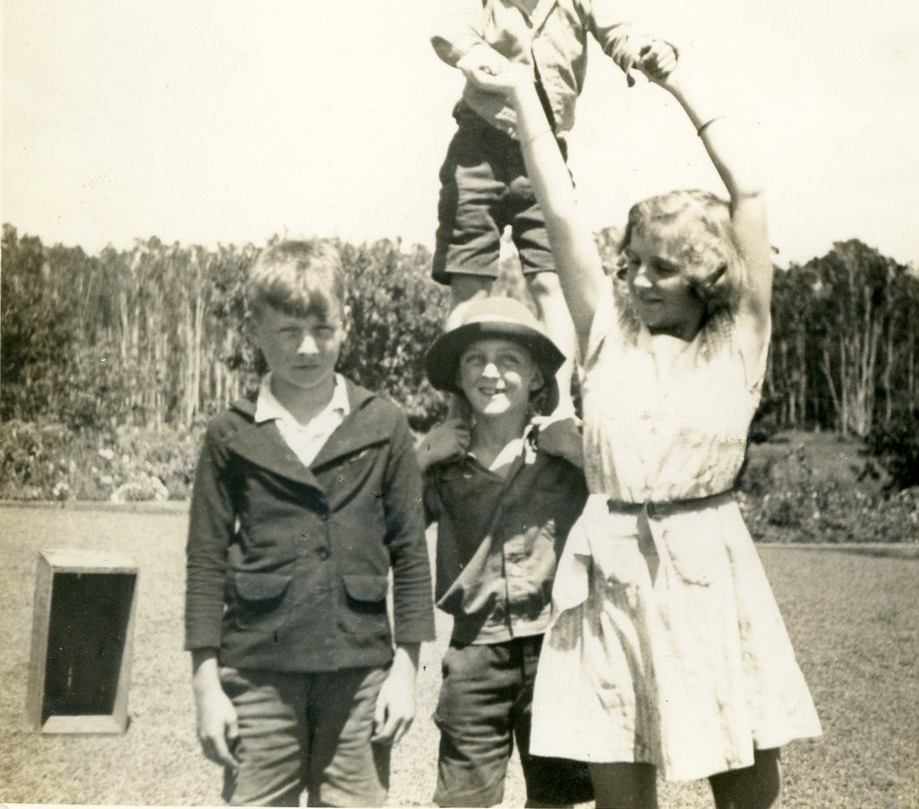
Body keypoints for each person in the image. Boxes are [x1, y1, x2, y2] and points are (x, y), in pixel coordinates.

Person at [473, 65, 822, 809]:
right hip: (610, 565)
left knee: (743, 775)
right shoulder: (607, 333)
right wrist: (520, 91)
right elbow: (559, 209)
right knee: (618, 772)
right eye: (632, 263)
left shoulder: (739, 341)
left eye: (662, 268)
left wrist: (680, 84)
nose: (638, 280)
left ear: (706, 271)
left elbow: (750, 196)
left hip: (710, 563)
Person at [184, 238, 436, 807]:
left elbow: (410, 556)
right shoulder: (231, 433)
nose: (307, 347)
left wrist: (405, 672)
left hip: (360, 673)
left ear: (347, 323)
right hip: (258, 670)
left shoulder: (384, 423)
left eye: (323, 329)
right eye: (287, 331)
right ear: (256, 330)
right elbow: (204, 562)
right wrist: (206, 687)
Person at [430, 0, 678, 415]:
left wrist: (646, 50)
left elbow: (617, 29)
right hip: (481, 148)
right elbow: (449, 32)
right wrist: (477, 57)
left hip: (547, 157)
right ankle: (459, 413)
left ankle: (560, 406)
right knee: (471, 281)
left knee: (553, 277)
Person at [417, 295, 593, 808]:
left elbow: (629, 496)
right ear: (458, 376)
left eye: (509, 359)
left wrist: (579, 450)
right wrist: (418, 457)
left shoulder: (560, 456)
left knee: (556, 797)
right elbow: (384, 526)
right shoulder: (443, 464)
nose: (490, 372)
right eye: (475, 359)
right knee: (464, 799)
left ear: (536, 377)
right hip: (474, 654)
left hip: (557, 649)